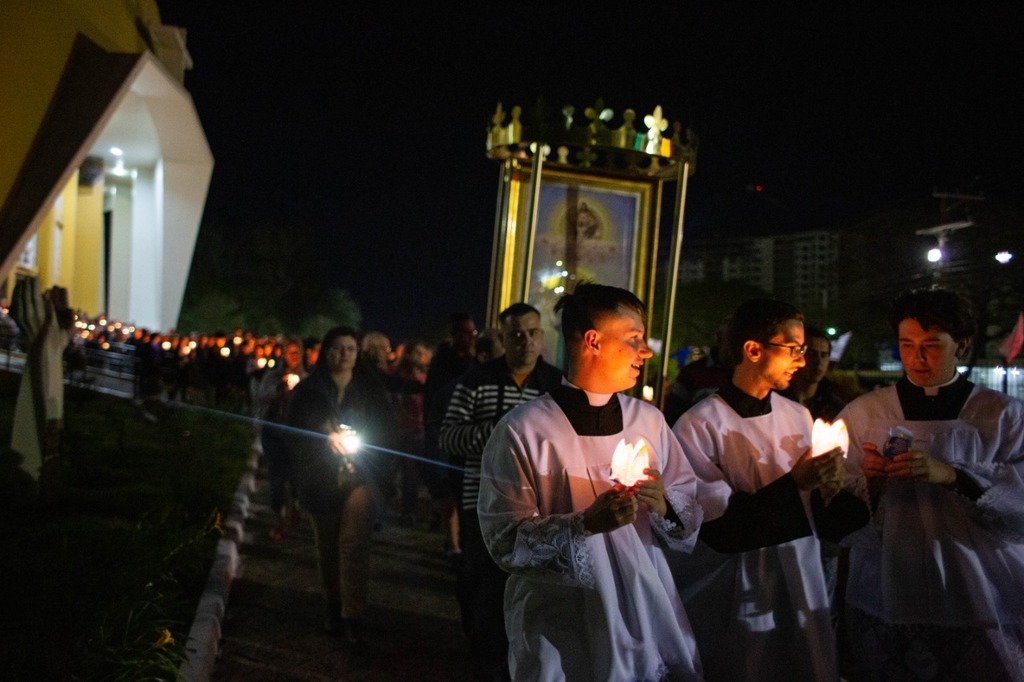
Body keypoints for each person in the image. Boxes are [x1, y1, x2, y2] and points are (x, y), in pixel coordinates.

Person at [478, 284, 706, 681]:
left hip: (646, 607)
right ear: (592, 341)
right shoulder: (525, 430)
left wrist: (664, 503)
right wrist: (584, 525)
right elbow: (503, 539)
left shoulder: (648, 420)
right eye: (635, 339)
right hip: (564, 621)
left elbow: (687, 503)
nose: (646, 350)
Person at [671, 298, 868, 681]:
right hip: (735, 584)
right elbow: (718, 527)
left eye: (804, 351)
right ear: (753, 349)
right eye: (792, 348)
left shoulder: (797, 415)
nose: (801, 360)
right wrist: (796, 482)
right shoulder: (699, 426)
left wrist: (831, 486)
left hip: (800, 571)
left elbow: (815, 507)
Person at [837, 287, 1024, 680]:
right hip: (889, 582)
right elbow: (838, 507)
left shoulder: (1002, 415)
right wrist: (869, 481)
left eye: (932, 345)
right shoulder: (865, 412)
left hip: (979, 583)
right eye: (906, 344)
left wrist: (954, 475)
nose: (917, 357)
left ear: (963, 345)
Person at [439, 302, 563, 681]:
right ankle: (489, 662)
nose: (525, 342)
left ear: (542, 336)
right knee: (487, 586)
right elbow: (449, 436)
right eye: (515, 334)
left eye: (532, 333)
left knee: (534, 587)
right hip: (484, 505)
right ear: (503, 338)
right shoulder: (476, 381)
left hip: (540, 509)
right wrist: (501, 432)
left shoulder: (555, 386)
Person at [285, 326, 396, 645]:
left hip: (362, 475)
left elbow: (388, 430)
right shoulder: (308, 391)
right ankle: (333, 606)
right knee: (328, 545)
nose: (344, 354)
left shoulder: (371, 391)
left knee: (353, 543)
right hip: (320, 478)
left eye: (350, 348)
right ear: (325, 352)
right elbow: (292, 433)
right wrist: (324, 440)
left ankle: (353, 614)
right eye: (337, 348)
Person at [254, 338, 307, 540]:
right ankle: (279, 521)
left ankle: (295, 506)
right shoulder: (273, 376)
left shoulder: (307, 378)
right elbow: (262, 398)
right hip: (274, 433)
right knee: (277, 478)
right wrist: (279, 389)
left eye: (297, 353)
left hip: (297, 437)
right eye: (289, 352)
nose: (293, 357)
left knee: (296, 478)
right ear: (283, 355)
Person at [662, 324, 731, 426]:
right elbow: (672, 414)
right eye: (731, 340)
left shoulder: (748, 374)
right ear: (719, 339)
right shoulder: (692, 372)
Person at [779, 325, 847, 422]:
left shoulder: (834, 407)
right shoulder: (774, 399)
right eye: (811, 354)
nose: (818, 361)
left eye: (824, 355)